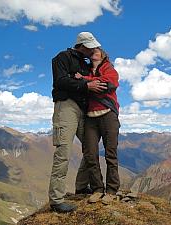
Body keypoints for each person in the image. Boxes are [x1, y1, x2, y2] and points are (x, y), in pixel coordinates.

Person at [49, 32, 107, 213]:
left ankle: (82, 186)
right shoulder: (62, 57)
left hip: (83, 108)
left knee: (90, 148)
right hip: (66, 106)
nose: (93, 50)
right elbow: (60, 81)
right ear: (81, 45)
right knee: (63, 151)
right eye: (90, 47)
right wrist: (85, 85)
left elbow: (84, 81)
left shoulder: (86, 63)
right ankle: (56, 200)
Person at [75, 48, 120, 205]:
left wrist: (86, 81)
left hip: (108, 114)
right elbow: (81, 87)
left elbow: (109, 84)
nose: (94, 52)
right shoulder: (86, 69)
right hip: (91, 117)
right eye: (92, 51)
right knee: (90, 154)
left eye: (97, 51)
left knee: (110, 154)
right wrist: (89, 84)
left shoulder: (109, 68)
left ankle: (112, 191)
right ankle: (97, 189)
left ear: (103, 55)